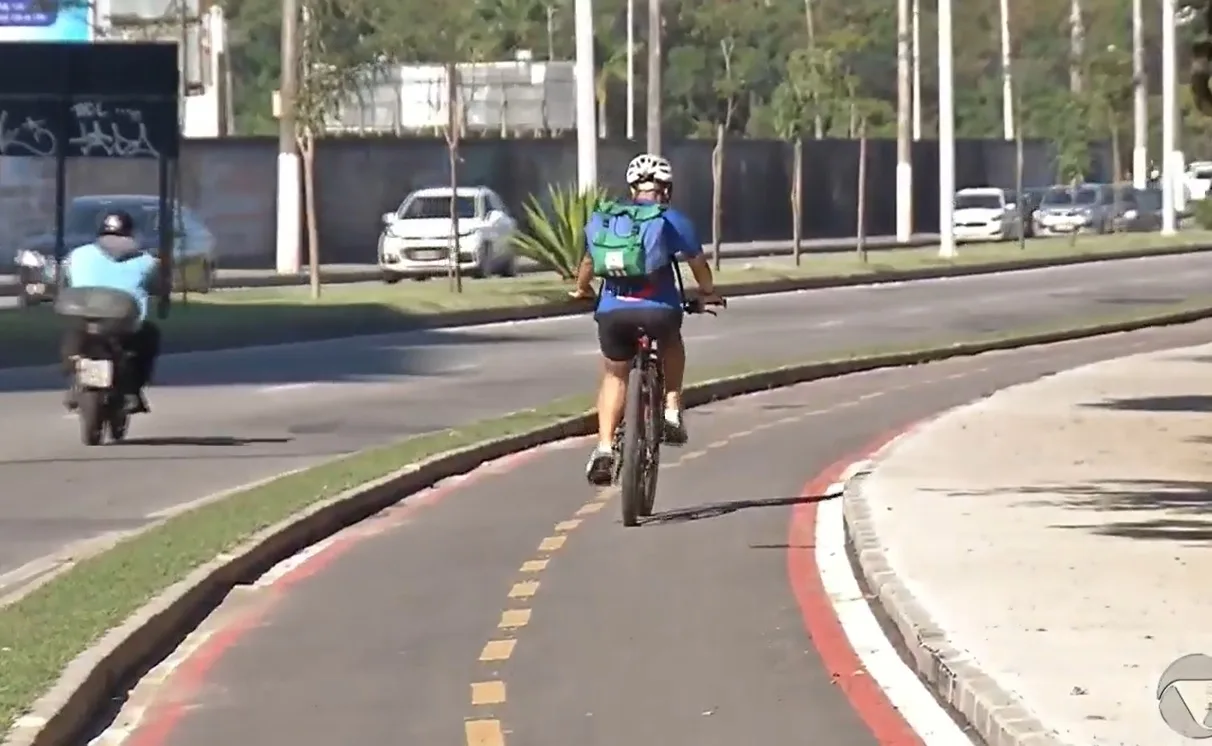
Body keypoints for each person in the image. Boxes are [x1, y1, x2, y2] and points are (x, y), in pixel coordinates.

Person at [570, 153, 724, 486]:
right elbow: (699, 267)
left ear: (632, 189)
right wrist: (708, 292)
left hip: (612, 312)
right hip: (659, 311)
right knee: (671, 340)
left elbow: (586, 264)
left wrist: (582, 290)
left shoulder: (611, 219)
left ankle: (605, 448)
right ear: (666, 190)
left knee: (615, 373)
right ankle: (671, 407)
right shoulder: (672, 220)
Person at [60, 209, 161, 414]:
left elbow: (63, 282)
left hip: (84, 319)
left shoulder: (77, 255)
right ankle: (132, 390)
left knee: (72, 341)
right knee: (149, 337)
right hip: (124, 324)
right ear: (131, 233)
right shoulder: (147, 261)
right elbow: (158, 287)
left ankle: (74, 380)